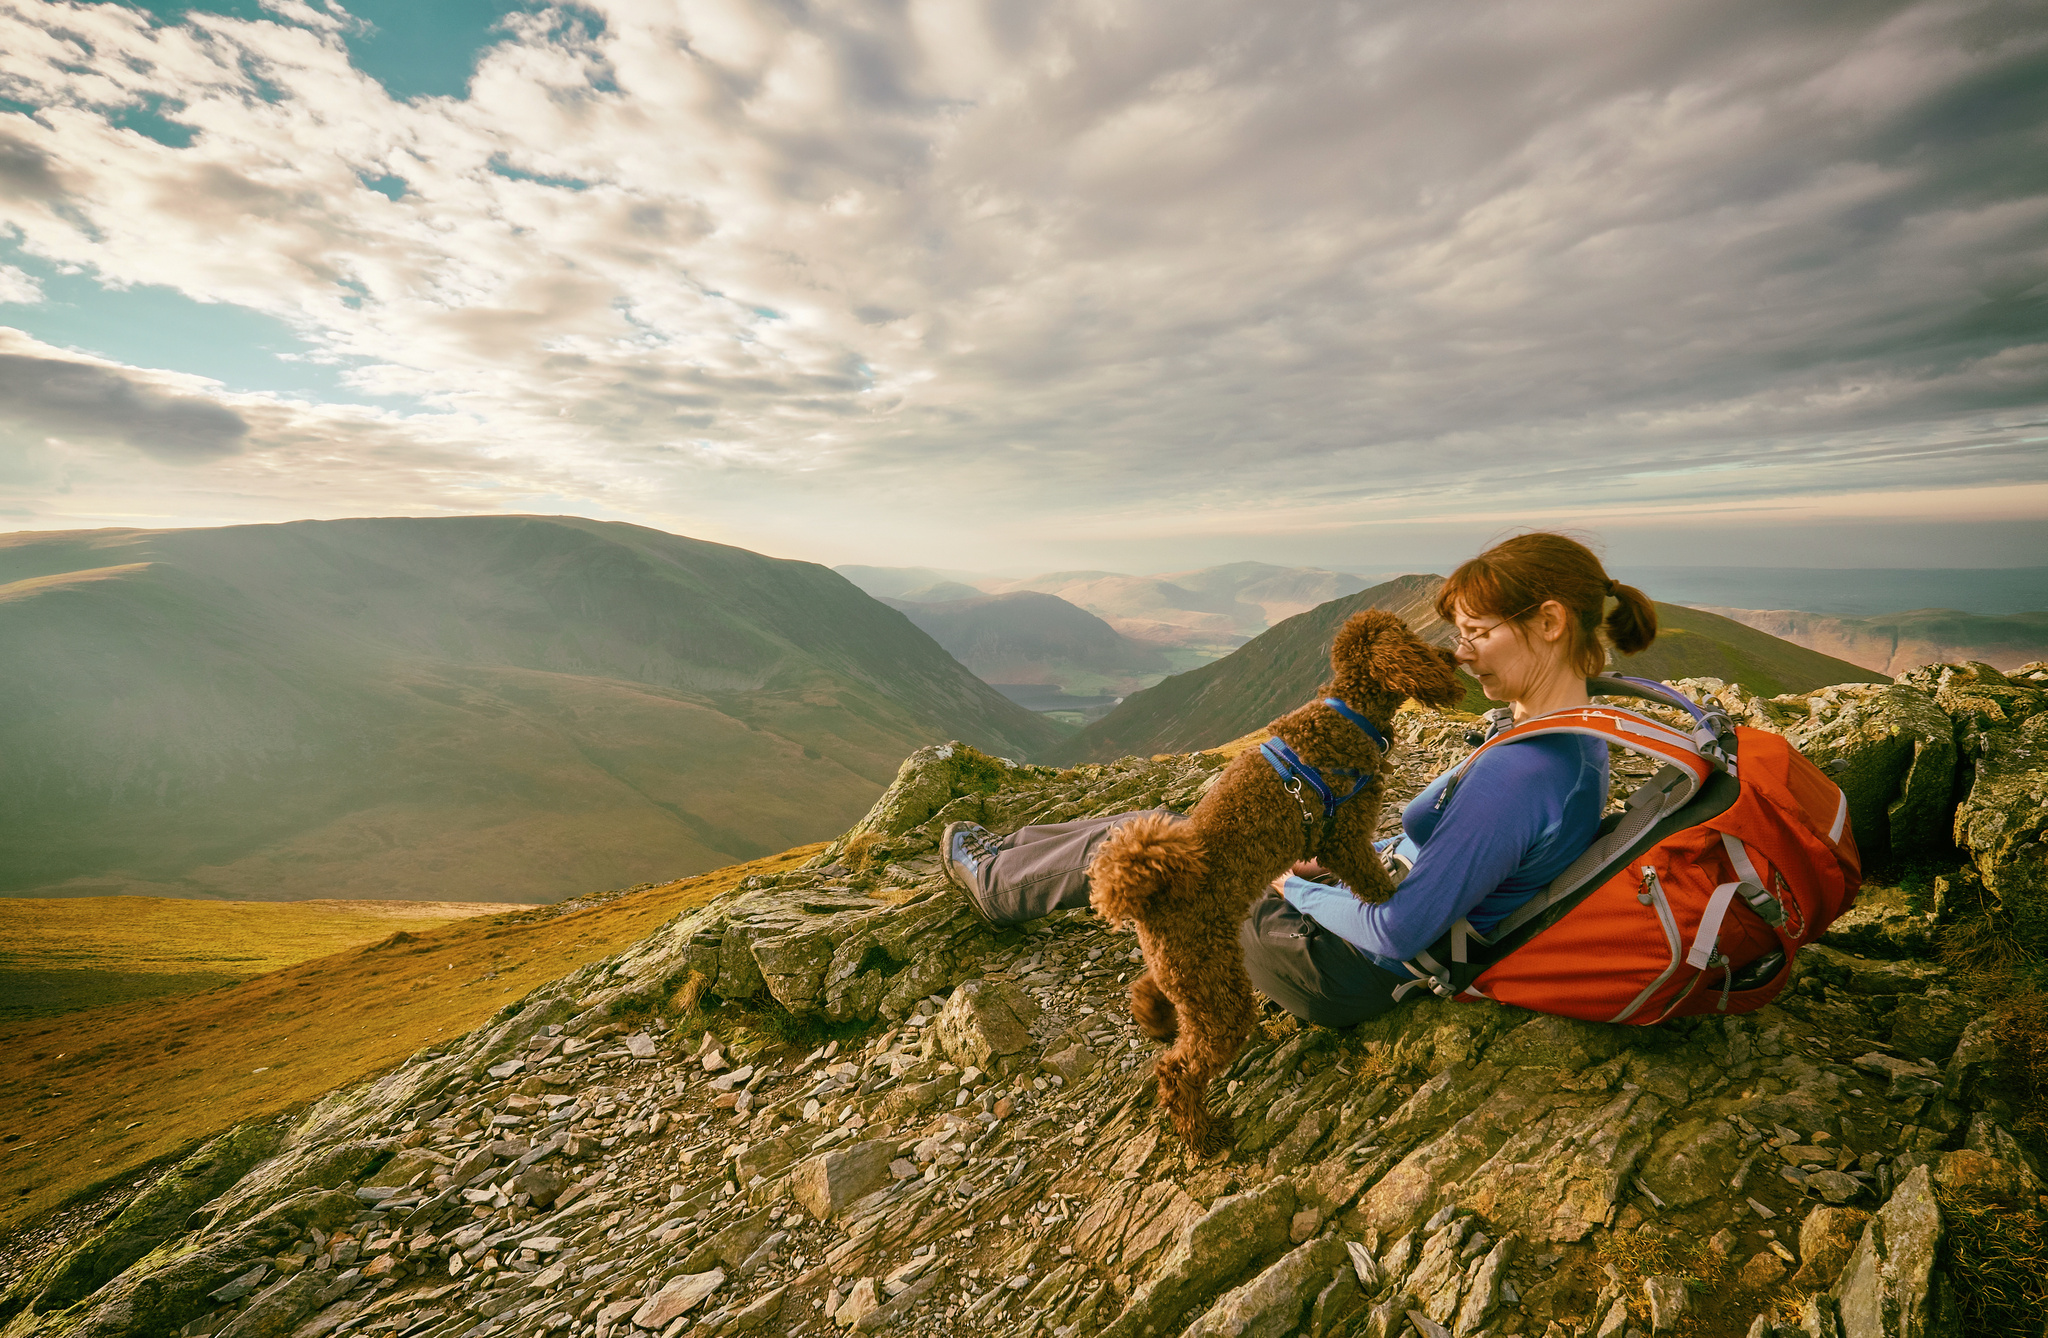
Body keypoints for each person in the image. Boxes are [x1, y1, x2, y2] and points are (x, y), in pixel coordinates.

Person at [939, 532, 1658, 1027]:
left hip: (1338, 968)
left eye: (1477, 633)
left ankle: (997, 882)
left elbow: (1401, 929)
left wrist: (1295, 883)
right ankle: (1009, 856)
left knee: (1161, 847)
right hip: (1370, 925)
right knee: (1183, 831)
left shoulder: (1527, 771)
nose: (1462, 655)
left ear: (1552, 622)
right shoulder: (1565, 735)